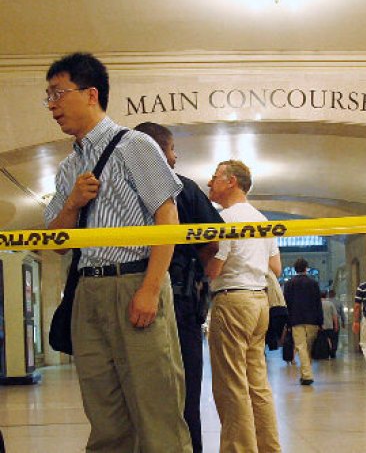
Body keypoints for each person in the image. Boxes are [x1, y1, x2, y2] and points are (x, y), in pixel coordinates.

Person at [43, 52, 192, 453]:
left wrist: (150, 288)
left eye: (59, 93)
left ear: (91, 94)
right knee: (104, 417)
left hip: (134, 282)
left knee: (157, 411)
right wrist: (71, 204)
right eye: (49, 96)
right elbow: (53, 244)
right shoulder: (66, 170)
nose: (52, 105)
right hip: (87, 294)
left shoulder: (135, 146)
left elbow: (167, 217)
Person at [134, 121, 222, 453]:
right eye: (172, 149)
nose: (175, 156)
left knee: (141, 392)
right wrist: (198, 270)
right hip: (180, 297)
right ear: (159, 151)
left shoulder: (121, 190)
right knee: (185, 388)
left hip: (133, 294)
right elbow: (213, 239)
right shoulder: (183, 188)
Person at [205, 160, 282, 452]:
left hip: (232, 300)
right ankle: (268, 447)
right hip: (259, 301)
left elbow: (214, 270)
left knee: (232, 385)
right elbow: (275, 266)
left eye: (214, 178)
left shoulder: (225, 219)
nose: (210, 184)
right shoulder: (262, 219)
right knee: (257, 384)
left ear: (231, 182)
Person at [284, 258, 324, 385]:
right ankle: (307, 374)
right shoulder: (313, 283)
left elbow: (287, 304)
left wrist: (288, 322)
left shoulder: (289, 284)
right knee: (308, 347)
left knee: (301, 347)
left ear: (295, 269)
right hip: (312, 320)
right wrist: (320, 321)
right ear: (306, 268)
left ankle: (306, 374)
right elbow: (318, 303)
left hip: (296, 320)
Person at [321, 291, 340, 358]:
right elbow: (334, 315)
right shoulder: (330, 304)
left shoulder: (317, 304)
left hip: (321, 326)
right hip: (330, 325)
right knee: (333, 339)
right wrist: (336, 325)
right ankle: (333, 353)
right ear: (326, 295)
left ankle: (325, 354)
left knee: (323, 340)